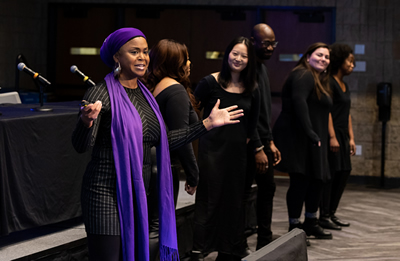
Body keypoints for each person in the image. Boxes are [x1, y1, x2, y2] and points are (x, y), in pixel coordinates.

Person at [71, 27, 244, 261]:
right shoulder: (99, 93)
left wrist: (207, 124)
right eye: (134, 52)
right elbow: (81, 146)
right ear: (116, 57)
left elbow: (163, 142)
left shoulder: (146, 95)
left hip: (138, 191)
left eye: (145, 51)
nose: (142, 57)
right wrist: (85, 122)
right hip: (104, 192)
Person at [191, 36, 260, 261]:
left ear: (250, 60)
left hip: (238, 156)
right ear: (227, 54)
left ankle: (227, 251)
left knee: (233, 204)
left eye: (244, 56)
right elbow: (190, 110)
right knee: (208, 202)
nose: (238, 59)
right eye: (235, 53)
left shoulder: (253, 88)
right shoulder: (210, 82)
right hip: (212, 154)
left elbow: (253, 125)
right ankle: (199, 251)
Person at [272, 42, 333, 242]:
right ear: (308, 57)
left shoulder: (318, 79)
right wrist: (310, 133)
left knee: (317, 179)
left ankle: (310, 222)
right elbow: (299, 103)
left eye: (326, 56)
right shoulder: (303, 74)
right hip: (298, 137)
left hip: (312, 137)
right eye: (319, 55)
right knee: (301, 181)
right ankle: (294, 226)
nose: (323, 59)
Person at [146, 39, 199, 205]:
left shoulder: (153, 87)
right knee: (160, 226)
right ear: (175, 63)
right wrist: (193, 174)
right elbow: (180, 137)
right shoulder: (175, 90)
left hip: (152, 166)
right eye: (186, 59)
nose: (189, 63)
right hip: (165, 168)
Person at [246, 23, 282, 249]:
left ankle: (264, 240)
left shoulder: (264, 69)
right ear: (252, 42)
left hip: (263, 140)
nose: (270, 48)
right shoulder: (248, 70)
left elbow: (264, 112)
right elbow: (250, 115)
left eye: (273, 44)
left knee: (268, 189)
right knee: (243, 193)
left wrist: (270, 141)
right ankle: (236, 244)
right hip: (250, 144)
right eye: (266, 43)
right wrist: (259, 147)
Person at [319, 43, 355, 230]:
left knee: (343, 172)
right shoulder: (329, 82)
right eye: (350, 61)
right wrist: (332, 136)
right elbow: (328, 112)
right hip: (331, 134)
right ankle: (323, 214)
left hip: (343, 134)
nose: (352, 65)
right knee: (331, 174)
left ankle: (331, 212)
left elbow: (346, 112)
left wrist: (351, 137)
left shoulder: (344, 85)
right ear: (340, 60)